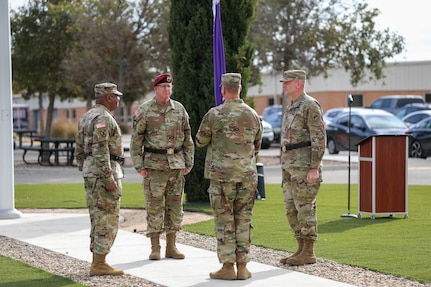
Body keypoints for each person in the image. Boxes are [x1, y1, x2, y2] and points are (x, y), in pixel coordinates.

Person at [195, 73, 263, 280]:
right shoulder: (252, 115)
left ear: (223, 90)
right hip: (247, 176)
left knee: (225, 221)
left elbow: (200, 141)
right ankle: (243, 267)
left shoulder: (214, 115)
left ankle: (227, 266)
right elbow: (257, 146)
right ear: (240, 89)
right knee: (244, 220)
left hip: (222, 177)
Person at [130, 73, 194, 261]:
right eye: (163, 87)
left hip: (176, 165)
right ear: (155, 89)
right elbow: (136, 141)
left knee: (175, 207)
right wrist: (139, 166)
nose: (167, 90)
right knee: (155, 207)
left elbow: (188, 138)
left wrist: (188, 162)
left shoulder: (179, 109)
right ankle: (155, 247)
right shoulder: (145, 110)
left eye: (169, 87)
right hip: (153, 167)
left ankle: (172, 246)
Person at [75, 82, 125, 276]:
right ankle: (99, 263)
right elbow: (100, 148)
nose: (119, 99)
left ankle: (98, 260)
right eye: (116, 96)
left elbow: (79, 146)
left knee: (97, 216)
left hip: (91, 172)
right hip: (104, 173)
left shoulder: (87, 116)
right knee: (107, 217)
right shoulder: (103, 117)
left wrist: (83, 167)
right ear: (108, 97)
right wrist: (108, 177)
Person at [278, 70, 326, 266]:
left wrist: (314, 167)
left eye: (287, 82)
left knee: (305, 209)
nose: (284, 85)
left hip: (304, 168)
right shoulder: (291, 107)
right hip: (290, 167)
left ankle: (309, 251)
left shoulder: (310, 106)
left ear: (299, 83)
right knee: (291, 209)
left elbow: (319, 139)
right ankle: (300, 248)